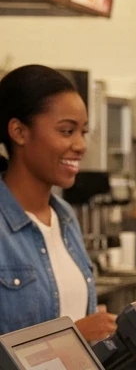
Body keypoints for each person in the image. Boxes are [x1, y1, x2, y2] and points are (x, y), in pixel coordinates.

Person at [0, 65, 116, 342]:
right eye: (67, 131)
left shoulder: (64, 216)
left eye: (83, 132)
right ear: (19, 131)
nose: (80, 145)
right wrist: (74, 337)